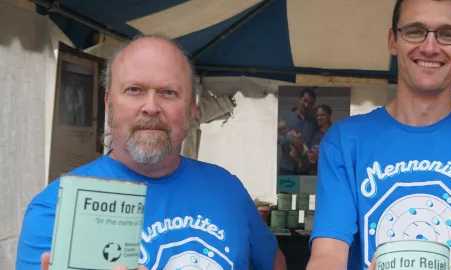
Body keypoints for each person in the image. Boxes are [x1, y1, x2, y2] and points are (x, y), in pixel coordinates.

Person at [16, 35, 286, 270]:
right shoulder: (57, 209)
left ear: (191, 110)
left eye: (168, 93)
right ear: (109, 103)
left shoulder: (228, 188)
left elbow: (274, 262)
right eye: (134, 90)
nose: (151, 107)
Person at [306, 0, 451, 269]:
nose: (430, 47)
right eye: (414, 31)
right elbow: (327, 257)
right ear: (392, 41)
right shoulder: (343, 141)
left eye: (447, 34)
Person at [278, 88, 317, 175]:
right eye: (305, 100)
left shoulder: (313, 122)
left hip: (305, 169)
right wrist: (290, 139)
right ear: (299, 99)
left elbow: (314, 143)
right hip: (286, 167)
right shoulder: (285, 117)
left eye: (310, 103)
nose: (306, 105)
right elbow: (276, 138)